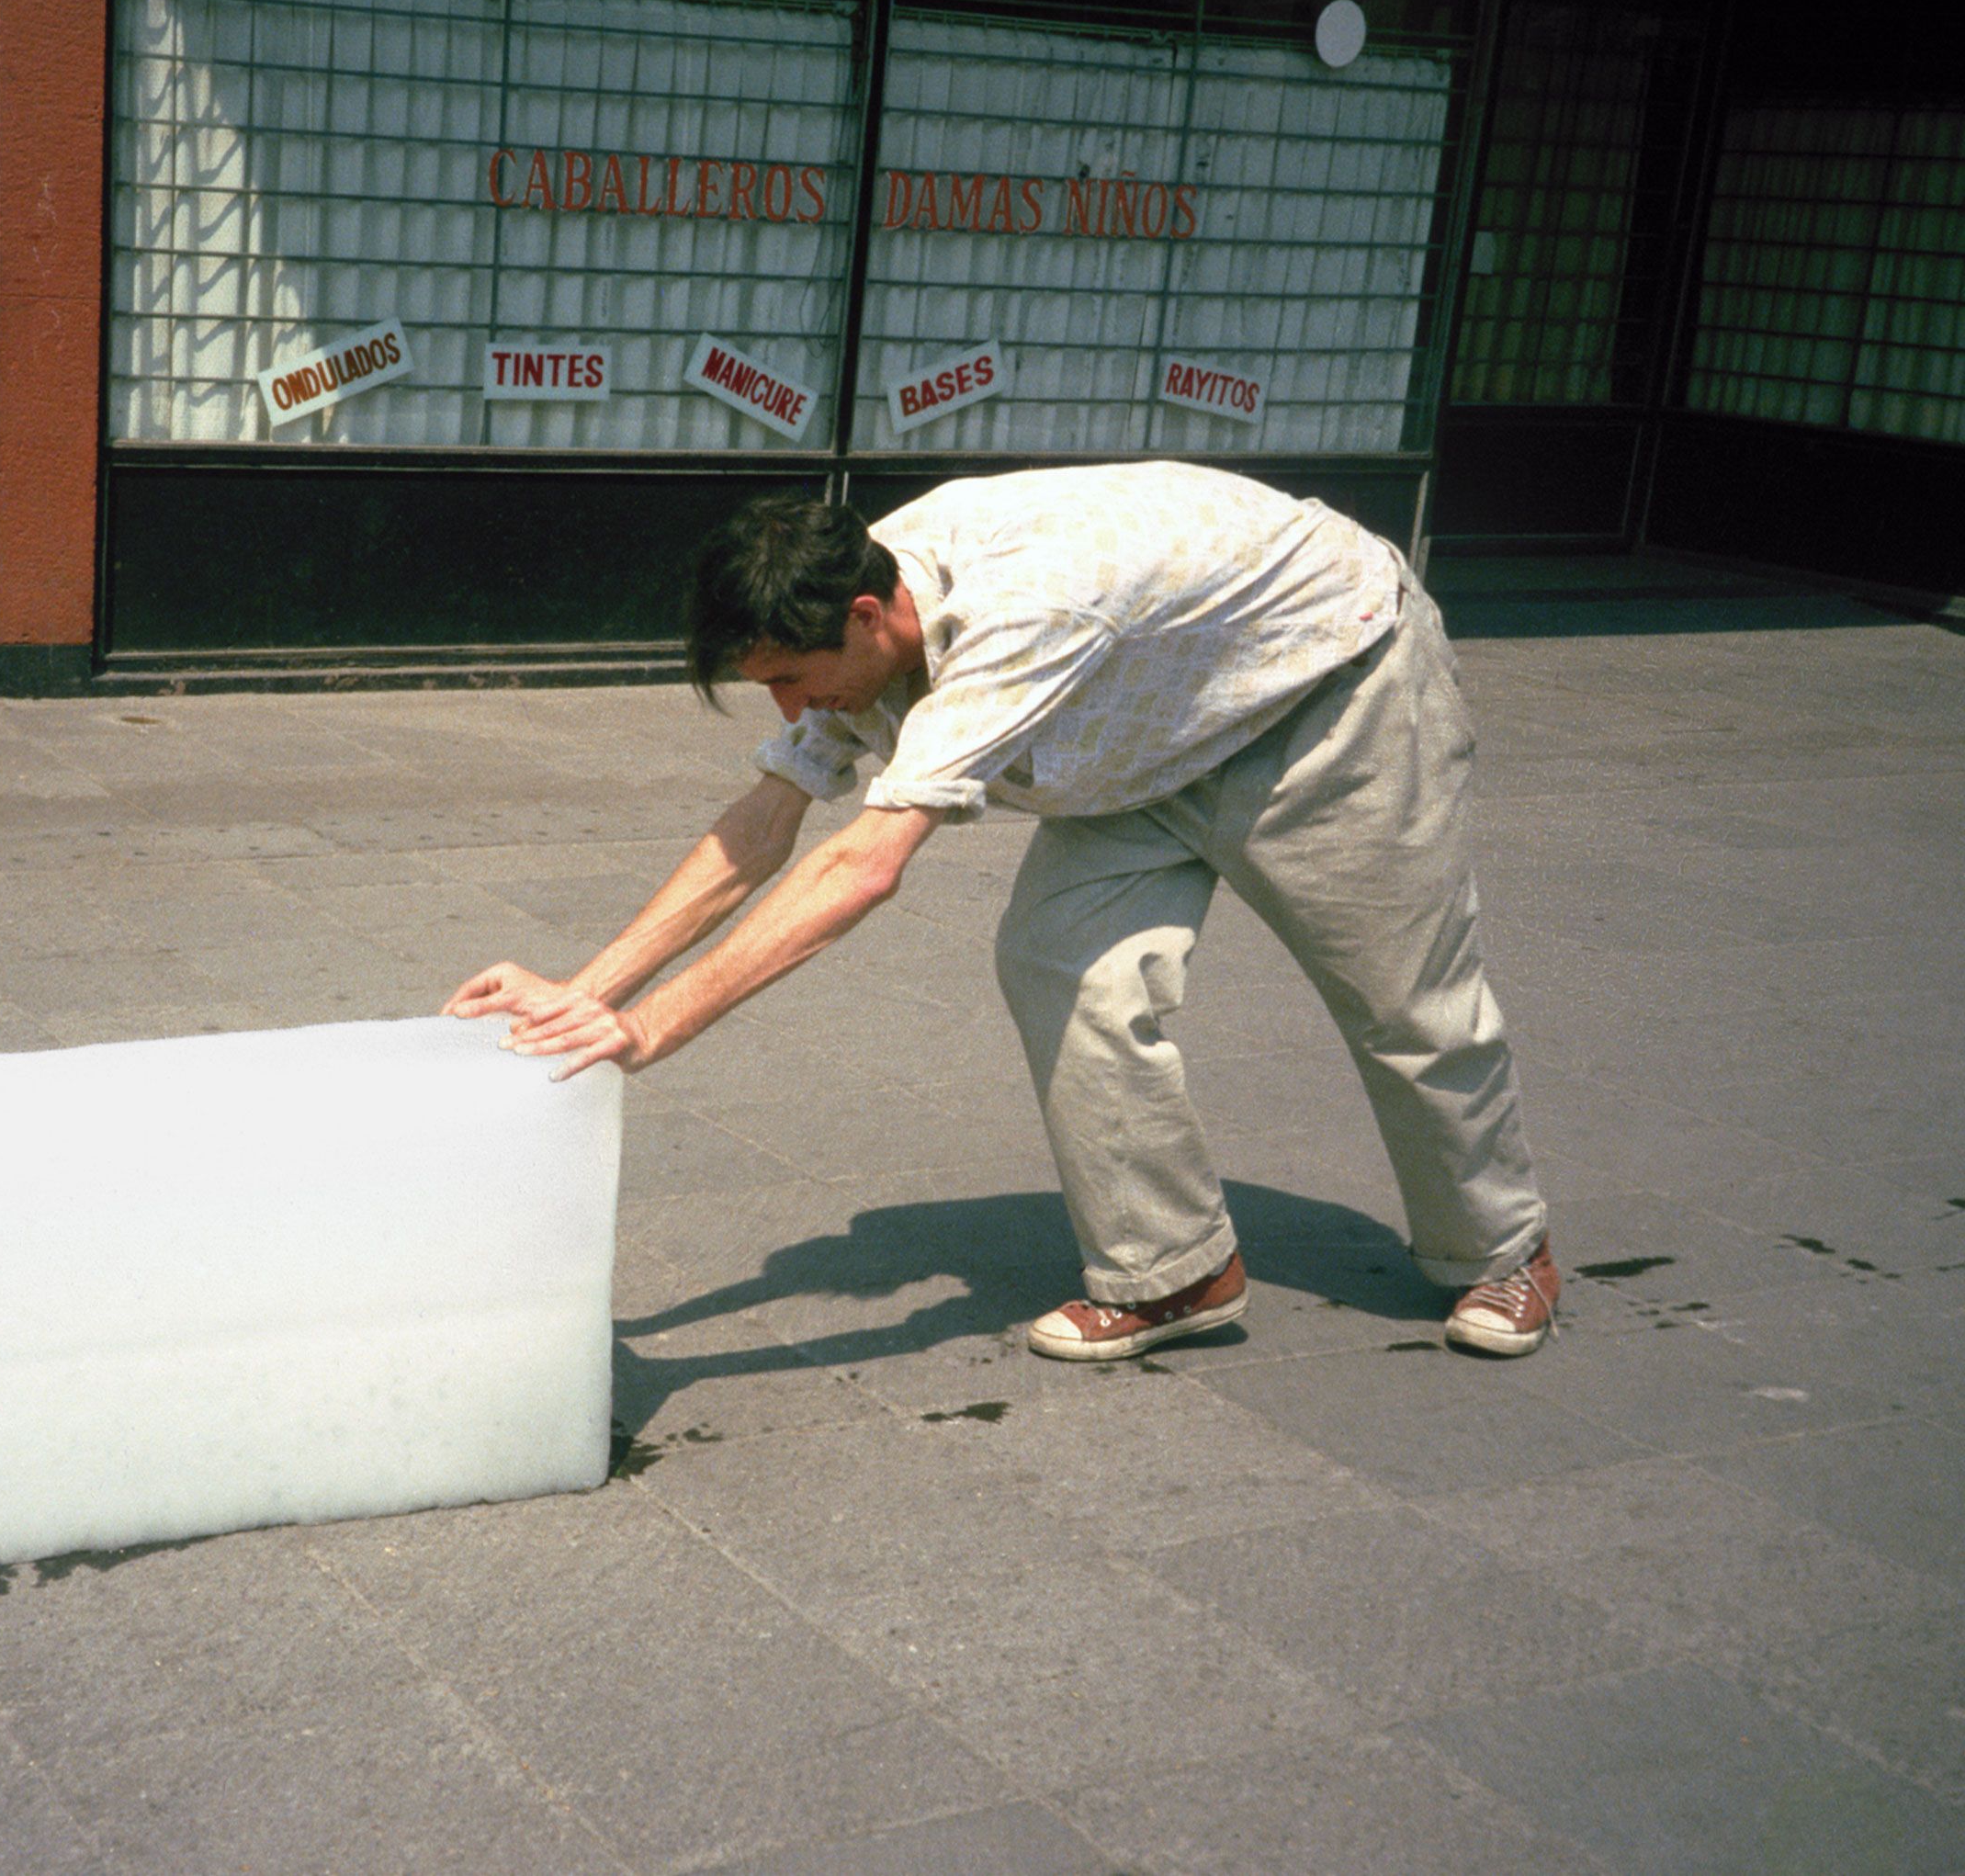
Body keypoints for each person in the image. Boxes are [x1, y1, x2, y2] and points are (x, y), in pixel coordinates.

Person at [443, 462, 1557, 1361]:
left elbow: (863, 868)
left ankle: (1501, 1248)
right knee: (1061, 962)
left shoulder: (1019, 615)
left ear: (871, 617)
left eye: (791, 678)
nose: (789, 707)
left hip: (1326, 690)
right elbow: (766, 822)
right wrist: (583, 993)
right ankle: (1172, 1272)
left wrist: (647, 1032)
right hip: (1146, 731)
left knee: (1403, 998)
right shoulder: (855, 592)